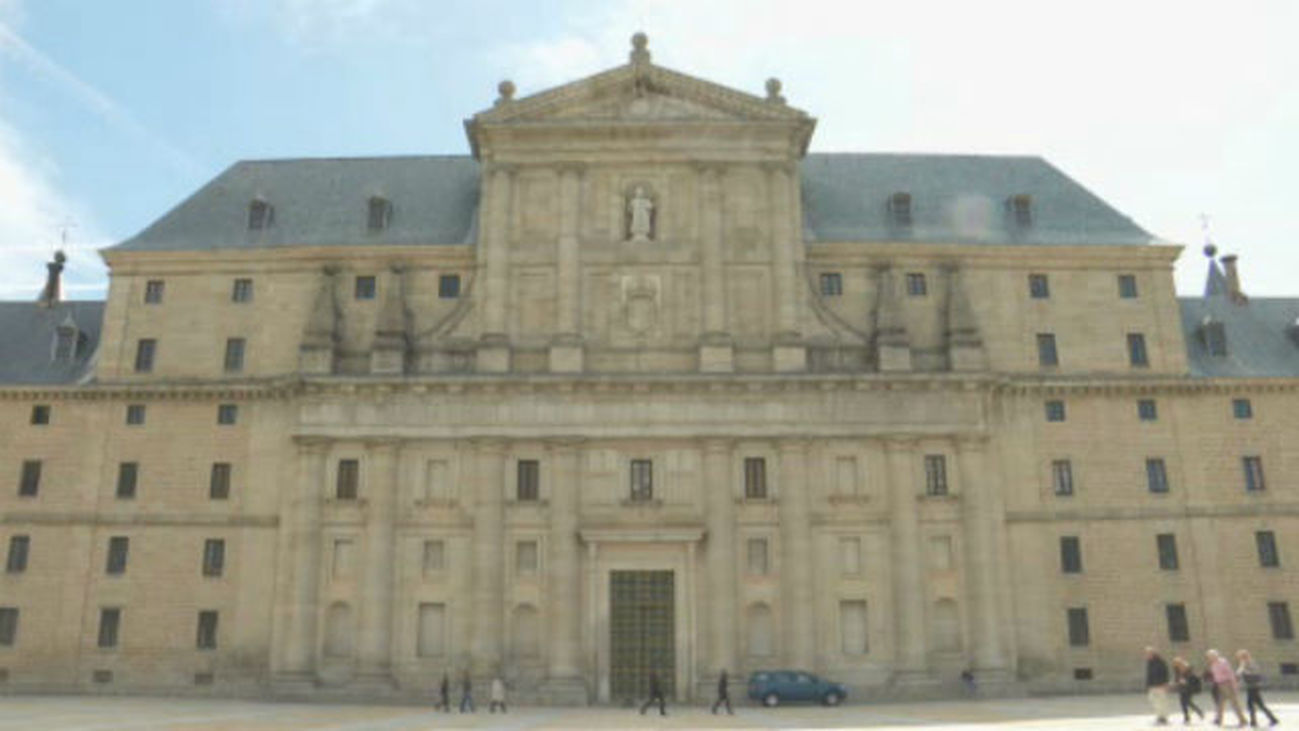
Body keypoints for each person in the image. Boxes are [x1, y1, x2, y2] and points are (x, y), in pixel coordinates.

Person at [1235, 649, 1279, 727]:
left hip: (1254, 686)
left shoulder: (1252, 663)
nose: (1239, 659)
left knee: (1257, 704)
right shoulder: (1244, 664)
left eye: (1240, 657)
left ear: (1244, 657)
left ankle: (1271, 719)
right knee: (1253, 704)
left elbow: (1254, 673)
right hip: (1250, 687)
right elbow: (1238, 674)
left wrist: (1243, 669)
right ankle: (1257, 721)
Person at [1207, 649, 1247, 727]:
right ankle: (1218, 719)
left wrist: (1234, 685)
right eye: (1208, 656)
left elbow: (1230, 673)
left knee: (1234, 703)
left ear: (1215, 655)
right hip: (1219, 685)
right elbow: (1215, 675)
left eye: (1210, 656)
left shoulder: (1223, 662)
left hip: (1227, 684)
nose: (1209, 658)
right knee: (1220, 703)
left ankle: (1242, 720)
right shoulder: (1212, 664)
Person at [1171, 656, 1205, 724]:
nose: (1174, 665)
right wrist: (1176, 682)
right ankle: (1188, 716)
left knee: (1187, 701)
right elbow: (1177, 678)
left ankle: (1196, 713)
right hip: (1182, 688)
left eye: (1176, 663)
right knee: (1183, 702)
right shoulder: (1176, 669)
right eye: (1174, 663)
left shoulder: (1187, 667)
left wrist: (1185, 681)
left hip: (1189, 687)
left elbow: (1192, 677)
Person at [1145, 646, 1172, 725]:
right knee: (1154, 701)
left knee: (1162, 702)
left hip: (1161, 685)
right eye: (1147, 653)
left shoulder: (1161, 662)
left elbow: (1166, 673)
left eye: (1148, 653)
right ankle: (1159, 716)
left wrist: (1166, 683)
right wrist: (1148, 685)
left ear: (1153, 653)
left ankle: (1164, 717)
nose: (1147, 655)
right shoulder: (1149, 662)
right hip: (1152, 686)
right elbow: (1149, 675)